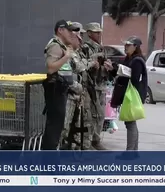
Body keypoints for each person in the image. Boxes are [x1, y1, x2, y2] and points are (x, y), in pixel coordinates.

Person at [41, 20, 80, 150]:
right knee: (53, 128)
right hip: (55, 89)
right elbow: (51, 68)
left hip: (61, 90)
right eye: (69, 30)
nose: (71, 33)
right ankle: (48, 164)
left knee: (57, 127)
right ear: (60, 30)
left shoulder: (62, 46)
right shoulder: (55, 45)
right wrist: (66, 57)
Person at [60, 22, 93, 150]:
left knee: (75, 126)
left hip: (76, 95)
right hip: (68, 95)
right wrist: (77, 87)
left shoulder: (77, 51)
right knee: (64, 127)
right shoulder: (66, 52)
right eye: (79, 37)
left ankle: (73, 149)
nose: (80, 41)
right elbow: (78, 67)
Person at [111, 36, 147, 151]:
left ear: (135, 47)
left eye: (128, 45)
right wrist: (113, 69)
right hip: (128, 95)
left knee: (130, 123)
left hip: (132, 95)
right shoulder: (128, 59)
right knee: (130, 123)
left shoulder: (137, 60)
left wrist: (120, 71)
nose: (125, 47)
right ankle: (133, 151)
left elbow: (135, 79)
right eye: (125, 45)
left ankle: (130, 152)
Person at [82, 22, 113, 150]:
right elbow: (84, 65)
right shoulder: (85, 48)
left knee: (100, 115)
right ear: (89, 33)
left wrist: (108, 66)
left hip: (101, 84)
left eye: (100, 32)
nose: (99, 34)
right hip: (91, 86)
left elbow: (105, 63)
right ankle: (90, 141)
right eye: (96, 32)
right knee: (92, 115)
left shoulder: (100, 48)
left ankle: (96, 139)